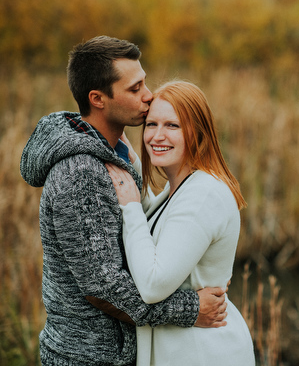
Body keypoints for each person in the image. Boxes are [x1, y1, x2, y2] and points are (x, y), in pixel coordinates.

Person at [20, 36, 227, 366]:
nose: (148, 95)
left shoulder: (118, 156)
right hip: (88, 358)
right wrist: (190, 309)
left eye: (144, 82)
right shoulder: (80, 172)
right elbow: (102, 287)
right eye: (134, 89)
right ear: (98, 99)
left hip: (119, 352)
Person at [105, 80, 255, 366]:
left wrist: (131, 207)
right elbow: (162, 227)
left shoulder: (203, 194)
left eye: (172, 126)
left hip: (203, 353)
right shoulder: (181, 188)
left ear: (198, 132)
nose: (157, 136)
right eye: (151, 125)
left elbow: (152, 284)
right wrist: (130, 162)